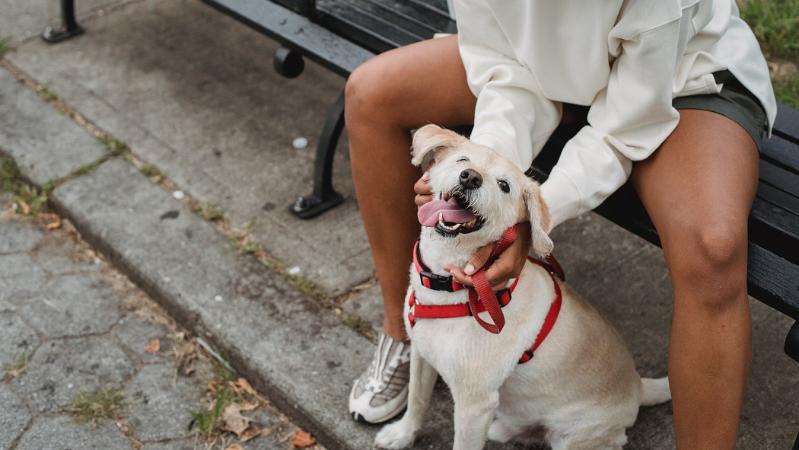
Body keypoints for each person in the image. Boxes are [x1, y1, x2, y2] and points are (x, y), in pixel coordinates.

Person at [344, 1, 776, 448]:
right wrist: (481, 174)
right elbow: (503, 67)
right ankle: (406, 331)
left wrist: (527, 219)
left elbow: (623, 127)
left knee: (713, 245)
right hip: (545, 69)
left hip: (679, 76)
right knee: (369, 93)